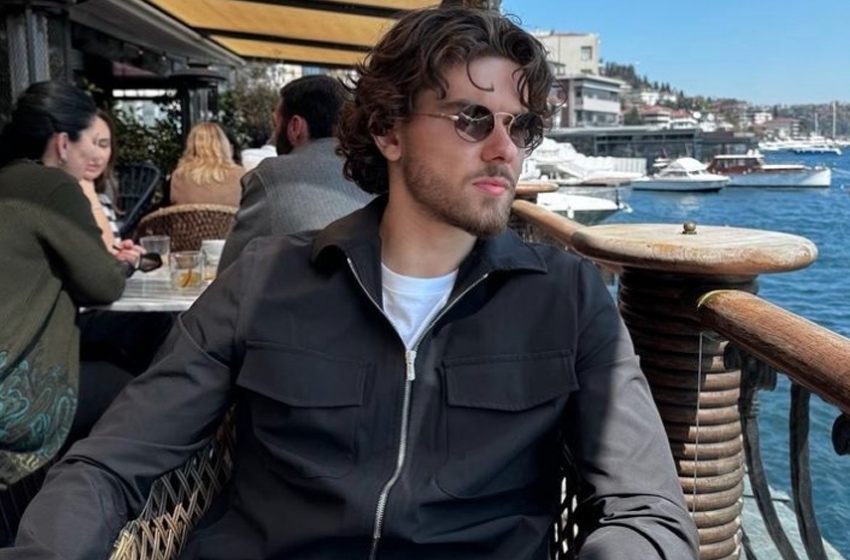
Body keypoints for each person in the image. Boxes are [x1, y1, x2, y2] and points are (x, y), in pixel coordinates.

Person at [10, 8, 699, 560]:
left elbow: (649, 513)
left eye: (521, 127)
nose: (505, 149)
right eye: (472, 119)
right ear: (388, 132)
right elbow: (110, 464)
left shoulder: (567, 299)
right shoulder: (266, 281)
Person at [0, 82, 141, 490]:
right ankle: (83, 510)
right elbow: (103, 286)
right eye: (89, 142)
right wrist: (125, 266)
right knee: (134, 389)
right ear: (63, 144)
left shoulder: (8, 179)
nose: (94, 154)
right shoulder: (54, 187)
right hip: (13, 401)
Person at [218, 74, 373, 269]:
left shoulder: (271, 176)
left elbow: (231, 269)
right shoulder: (372, 172)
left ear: (295, 126)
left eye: (276, 125)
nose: (274, 135)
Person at [169, 121, 244, 208]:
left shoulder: (178, 176)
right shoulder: (240, 175)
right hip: (230, 217)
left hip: (190, 217)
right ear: (224, 145)